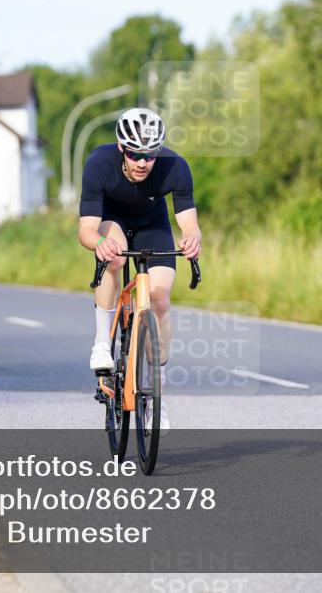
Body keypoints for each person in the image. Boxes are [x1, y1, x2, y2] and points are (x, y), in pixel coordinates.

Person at [77, 108, 202, 430]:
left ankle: (155, 394)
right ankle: (102, 344)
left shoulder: (176, 167)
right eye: (135, 154)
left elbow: (189, 224)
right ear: (122, 148)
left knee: (159, 299)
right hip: (111, 219)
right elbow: (86, 231)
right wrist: (99, 244)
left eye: (150, 155)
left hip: (152, 223)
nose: (143, 162)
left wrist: (191, 239)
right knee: (115, 257)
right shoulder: (99, 164)